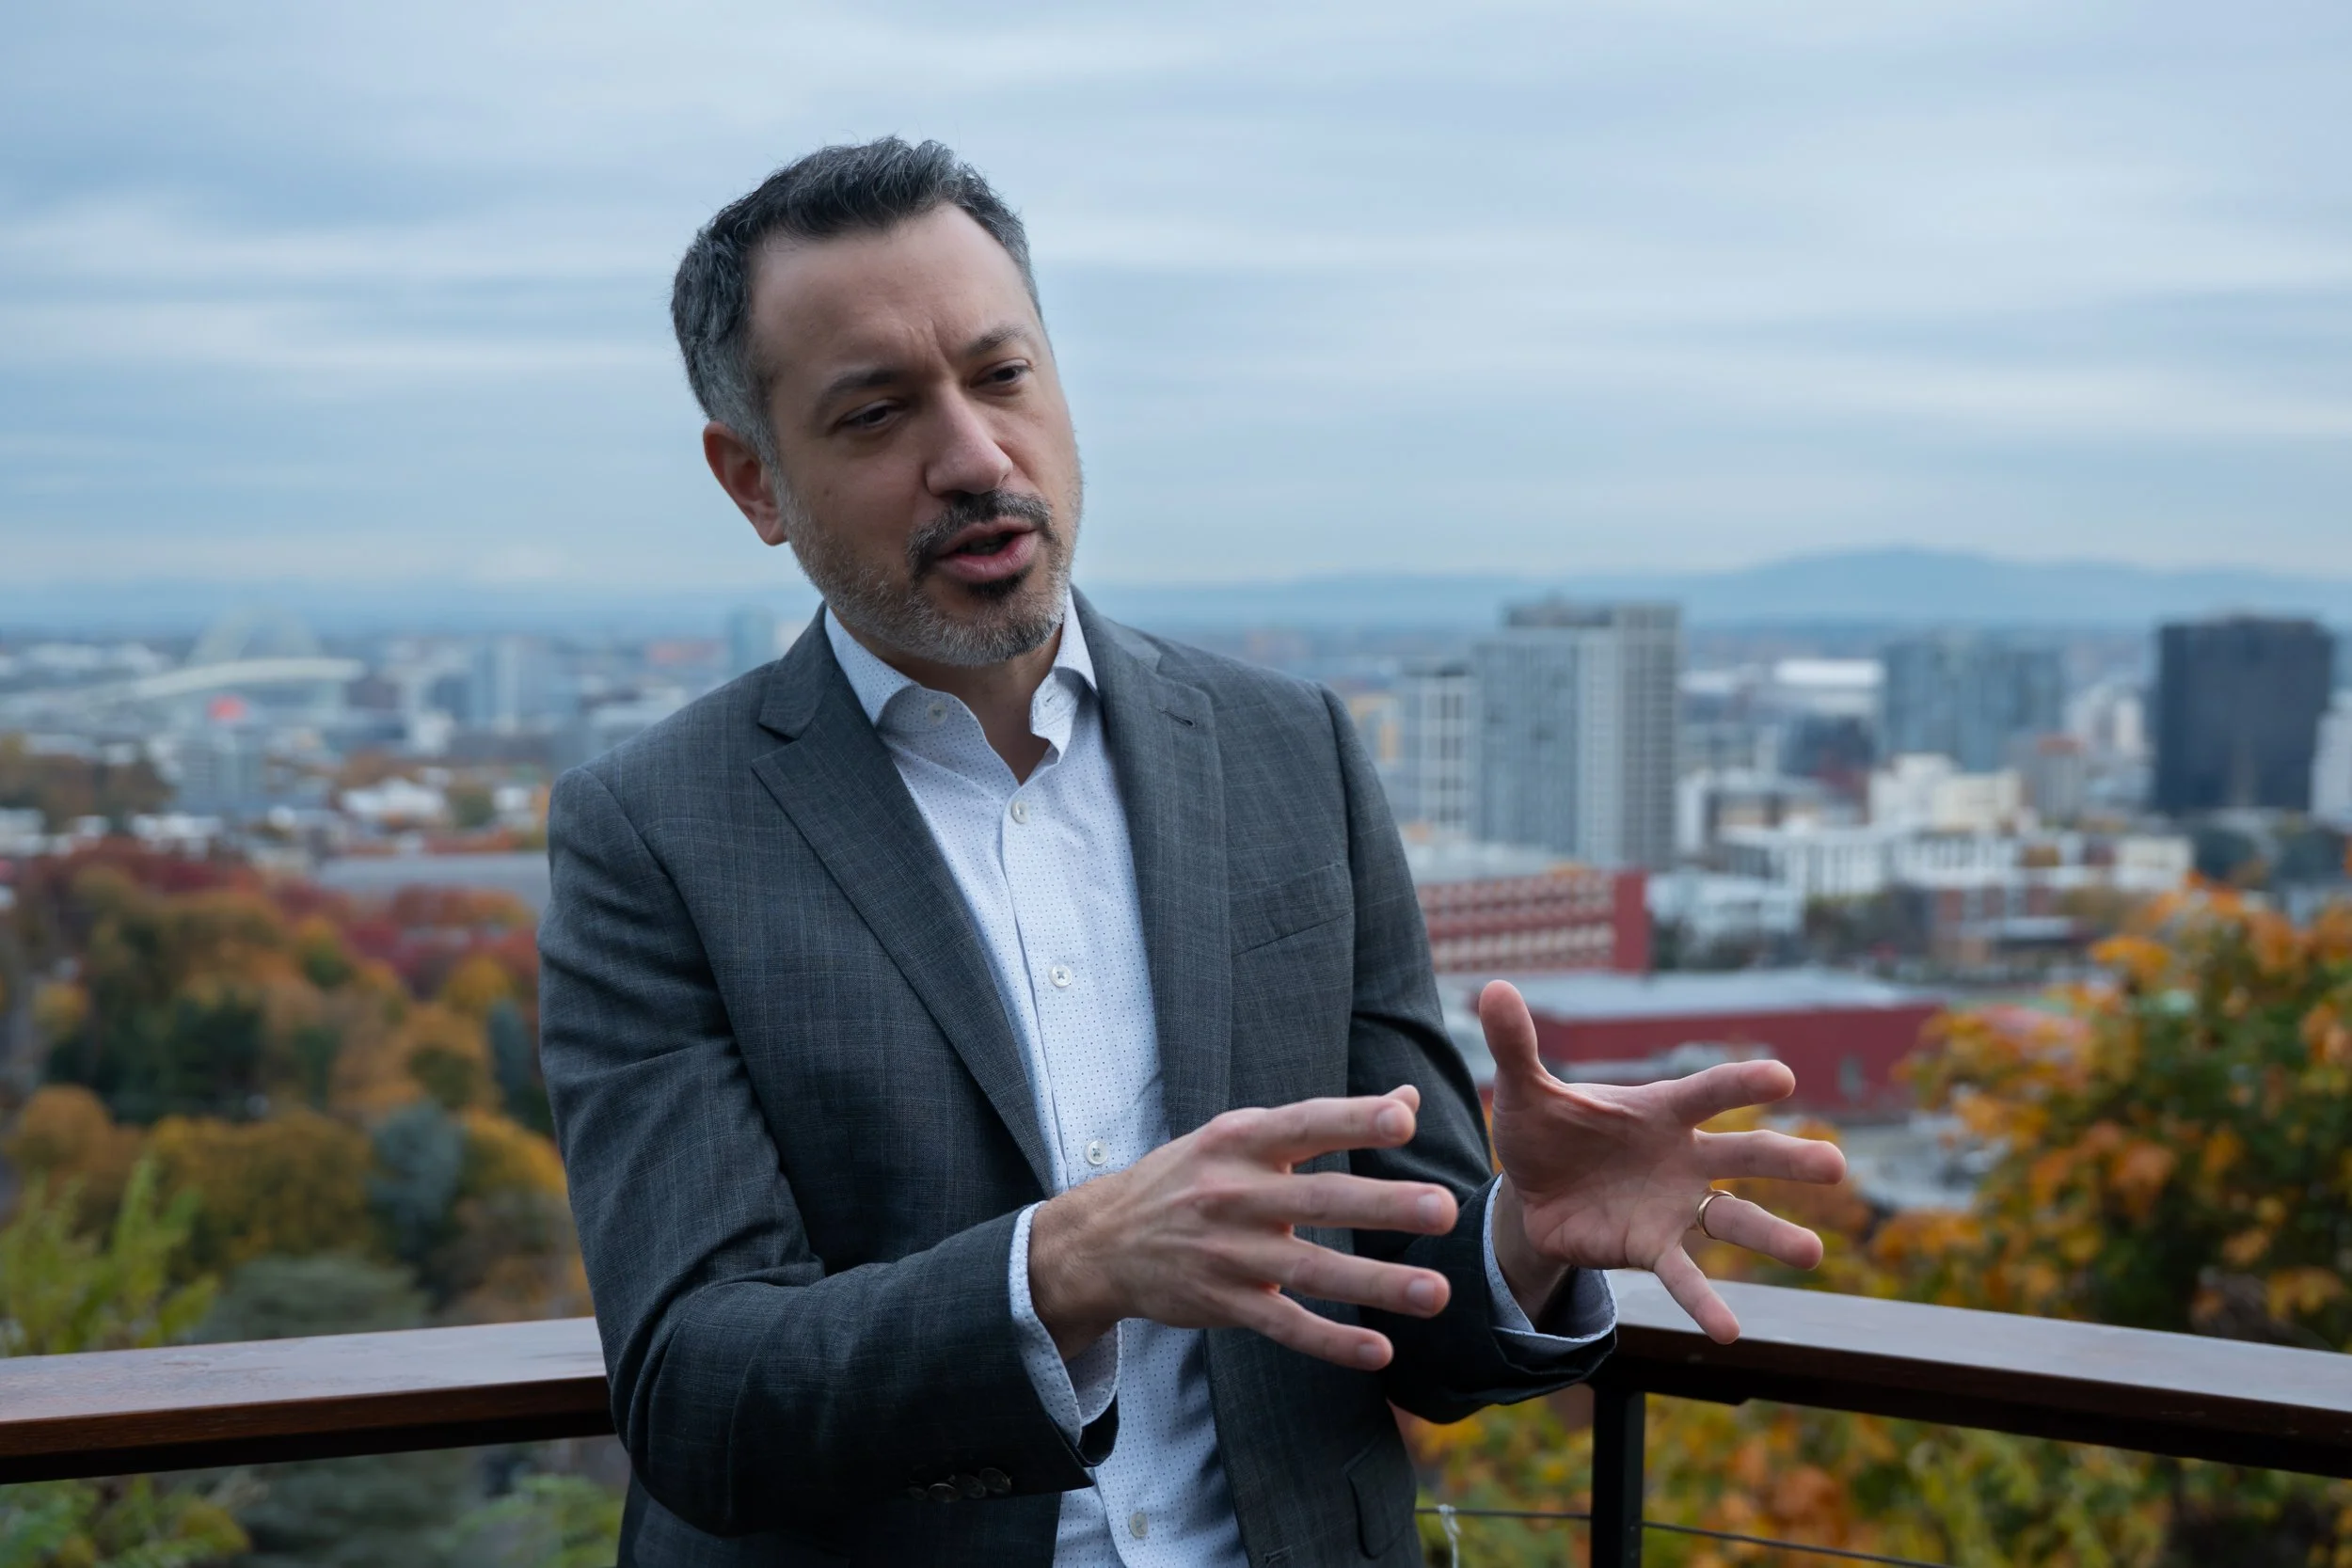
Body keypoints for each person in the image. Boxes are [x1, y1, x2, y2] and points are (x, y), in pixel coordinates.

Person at [537, 136, 1847, 1568]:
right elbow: (698, 1393)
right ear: (754, 481)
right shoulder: (654, 834)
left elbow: (1409, 1294)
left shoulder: (1291, 751)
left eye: (1002, 374)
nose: (975, 457)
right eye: (876, 413)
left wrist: (1524, 1235)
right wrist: (1069, 1265)